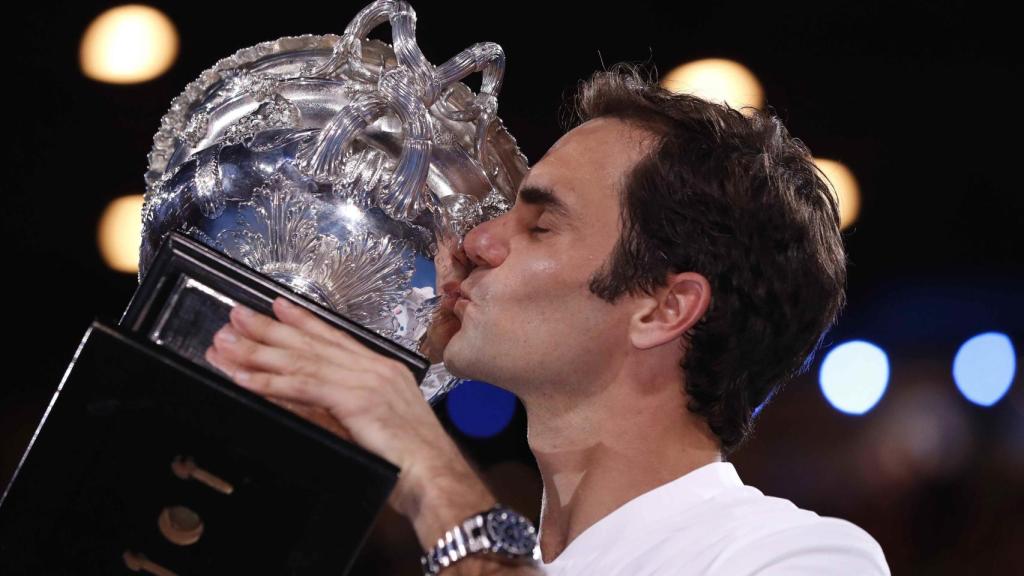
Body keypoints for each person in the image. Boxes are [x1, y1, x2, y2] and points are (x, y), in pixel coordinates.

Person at [205, 62, 890, 575]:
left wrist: (431, 473)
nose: (475, 243)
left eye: (540, 225)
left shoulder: (795, 557)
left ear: (664, 307)